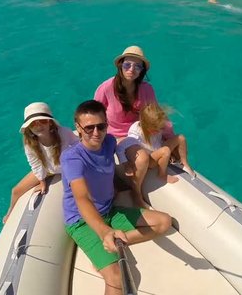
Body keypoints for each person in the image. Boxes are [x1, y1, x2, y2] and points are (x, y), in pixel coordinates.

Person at [61, 100, 171, 295]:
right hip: (82, 221)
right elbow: (82, 197)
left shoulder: (109, 142)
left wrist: (130, 162)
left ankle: (106, 250)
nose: (96, 132)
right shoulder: (72, 158)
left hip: (109, 211)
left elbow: (122, 146)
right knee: (117, 279)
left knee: (163, 222)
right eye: (89, 128)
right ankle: (104, 250)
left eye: (101, 126)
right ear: (78, 127)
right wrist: (104, 232)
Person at [94, 45, 175, 208]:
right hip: (117, 137)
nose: (132, 69)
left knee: (177, 141)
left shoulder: (147, 89)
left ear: (142, 70)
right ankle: (136, 193)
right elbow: (95, 114)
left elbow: (155, 115)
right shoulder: (106, 87)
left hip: (141, 132)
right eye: (127, 64)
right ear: (120, 65)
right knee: (143, 158)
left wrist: (169, 137)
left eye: (138, 66)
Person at [2, 102, 78, 223]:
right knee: (15, 191)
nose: (38, 126)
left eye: (42, 121)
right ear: (29, 128)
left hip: (67, 168)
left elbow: (78, 146)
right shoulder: (30, 142)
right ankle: (9, 213)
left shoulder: (64, 132)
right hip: (48, 170)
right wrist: (42, 180)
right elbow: (34, 162)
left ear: (50, 122)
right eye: (33, 124)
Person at [127, 103, 194, 183]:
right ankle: (162, 175)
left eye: (160, 128)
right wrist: (128, 165)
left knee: (181, 138)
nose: (159, 131)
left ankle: (185, 163)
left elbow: (166, 136)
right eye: (156, 129)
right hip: (150, 160)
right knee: (165, 150)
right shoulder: (136, 133)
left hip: (158, 149)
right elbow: (128, 149)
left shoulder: (156, 127)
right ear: (146, 126)